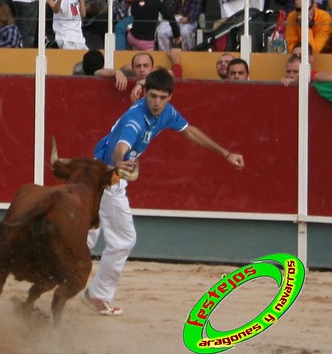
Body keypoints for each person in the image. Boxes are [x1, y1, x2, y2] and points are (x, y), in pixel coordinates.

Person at [82, 68, 244, 316]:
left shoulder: (166, 113)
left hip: (103, 175)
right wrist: (120, 162)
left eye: (162, 97)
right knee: (120, 239)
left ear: (169, 98)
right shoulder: (136, 119)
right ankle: (95, 295)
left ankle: (69, 282)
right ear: (144, 93)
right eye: (153, 96)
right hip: (107, 177)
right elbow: (120, 146)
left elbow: (189, 131)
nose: (157, 103)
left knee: (89, 236)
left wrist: (225, 153)